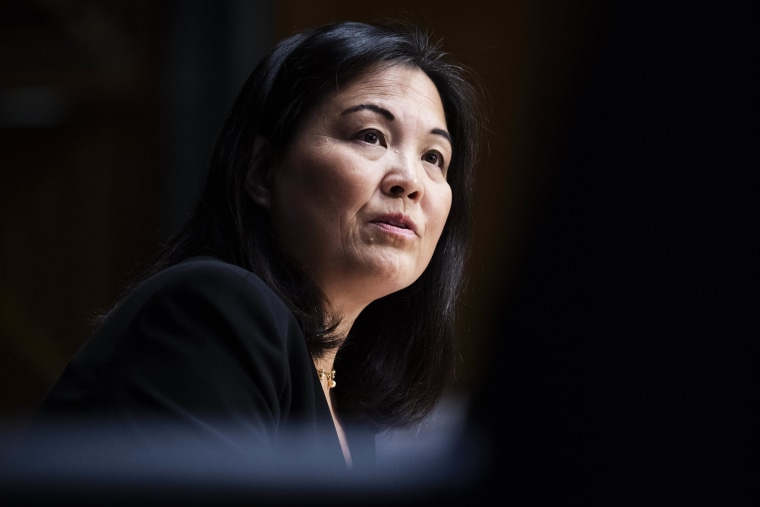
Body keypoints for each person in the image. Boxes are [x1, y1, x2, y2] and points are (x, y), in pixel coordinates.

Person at [22, 19, 486, 487]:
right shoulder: (215, 307)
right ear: (264, 172)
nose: (409, 180)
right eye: (370, 135)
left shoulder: (347, 407)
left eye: (434, 158)